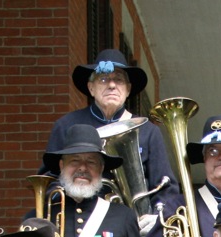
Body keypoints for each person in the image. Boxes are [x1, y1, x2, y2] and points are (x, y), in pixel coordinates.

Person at [43, 49, 176, 212]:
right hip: (79, 221)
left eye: (119, 80)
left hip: (134, 226)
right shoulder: (66, 125)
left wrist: (155, 218)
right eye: (104, 79)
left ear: (128, 90)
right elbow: (48, 182)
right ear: (91, 88)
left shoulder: (148, 131)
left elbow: (166, 187)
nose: (112, 85)